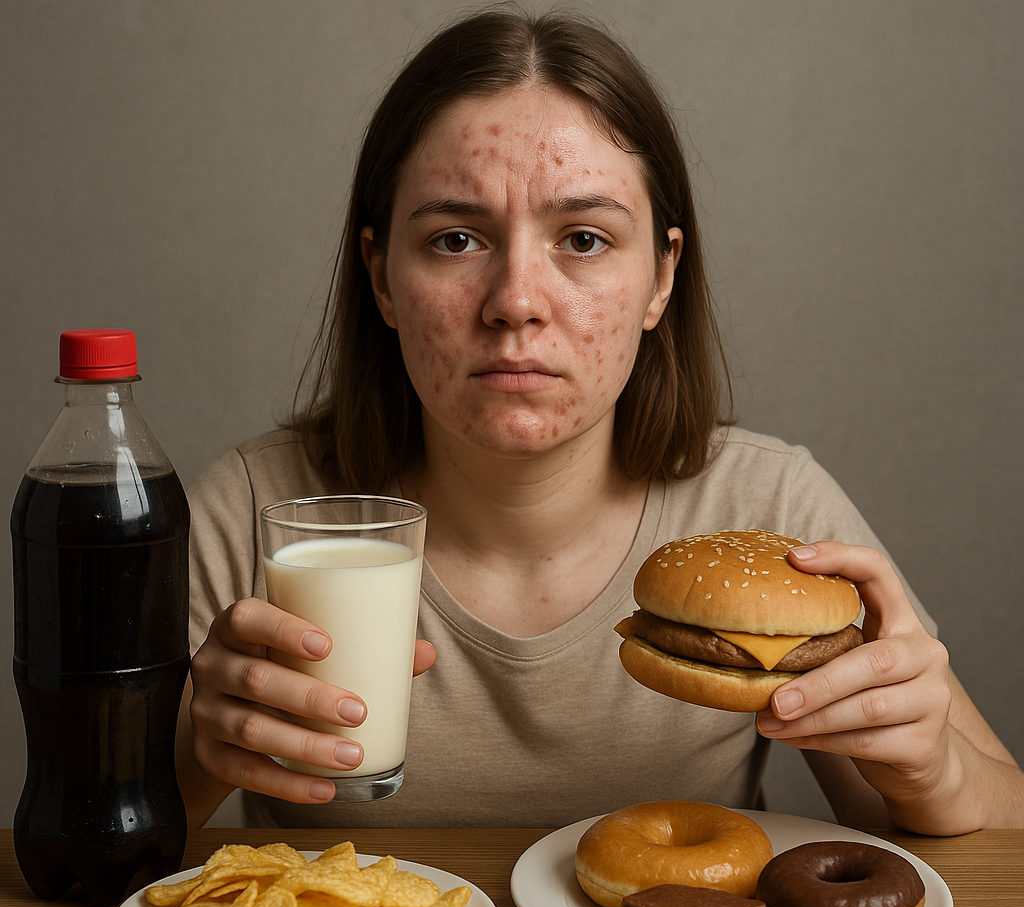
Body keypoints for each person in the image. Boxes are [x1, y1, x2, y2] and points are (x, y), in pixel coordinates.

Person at [177, 7, 1023, 834]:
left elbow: (1003, 824)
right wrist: (187, 758)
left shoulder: (775, 512)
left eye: (582, 240)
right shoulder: (253, 511)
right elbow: (76, 861)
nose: (514, 303)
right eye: (455, 241)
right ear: (382, 277)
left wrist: (937, 774)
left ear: (661, 278)